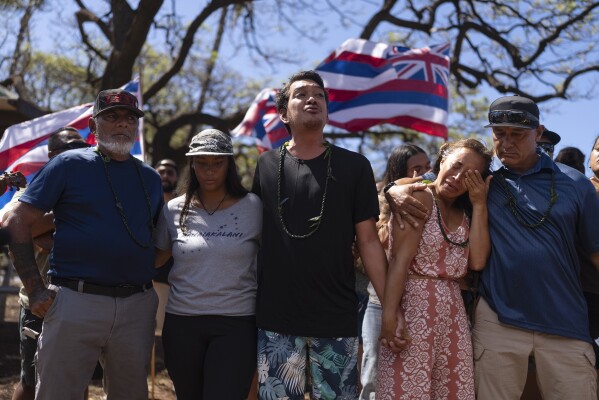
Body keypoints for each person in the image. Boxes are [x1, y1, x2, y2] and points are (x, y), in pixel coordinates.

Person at [387, 95, 599, 399]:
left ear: (539, 133)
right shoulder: (481, 176)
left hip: (565, 321)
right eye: (500, 134)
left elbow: (595, 252)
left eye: (518, 134)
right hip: (499, 320)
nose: (507, 143)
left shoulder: (575, 184)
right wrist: (394, 190)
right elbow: (430, 183)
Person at [4, 89, 163, 400]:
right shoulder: (68, 164)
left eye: (130, 118)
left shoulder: (151, 178)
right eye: (112, 117)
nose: (122, 124)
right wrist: (35, 288)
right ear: (93, 126)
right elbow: (16, 221)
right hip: (75, 300)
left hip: (136, 305)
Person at [252, 70, 388, 398]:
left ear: (327, 112)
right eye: (301, 94)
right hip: (276, 318)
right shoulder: (266, 165)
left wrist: (391, 308)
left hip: (336, 316)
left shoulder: (355, 166)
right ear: (284, 113)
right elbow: (255, 239)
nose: (312, 98)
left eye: (319, 95)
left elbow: (369, 241)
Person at [377, 139, 492, 399]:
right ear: (442, 161)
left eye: (469, 175)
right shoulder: (419, 196)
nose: (457, 177)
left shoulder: (466, 213)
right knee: (407, 390)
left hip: (453, 312)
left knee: (453, 392)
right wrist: (390, 313)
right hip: (413, 306)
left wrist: (479, 204)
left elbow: (477, 262)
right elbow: (399, 261)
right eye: (456, 166)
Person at [154, 129, 261, 399]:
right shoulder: (173, 209)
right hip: (182, 325)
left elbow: (277, 257)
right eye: (202, 163)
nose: (209, 171)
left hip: (236, 324)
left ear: (230, 164)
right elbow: (155, 259)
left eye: (217, 163)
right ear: (192, 165)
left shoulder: (254, 207)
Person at [4, 127, 90, 400]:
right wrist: (68, 215)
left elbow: (42, 234)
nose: (77, 152)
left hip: (85, 300)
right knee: (31, 381)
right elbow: (18, 229)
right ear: (52, 155)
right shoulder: (32, 192)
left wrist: (46, 224)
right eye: (69, 148)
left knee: (79, 379)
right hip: (39, 303)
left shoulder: (92, 190)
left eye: (82, 146)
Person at [359, 143, 431, 399]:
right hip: (380, 301)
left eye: (427, 167)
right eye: (416, 169)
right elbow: (374, 249)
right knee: (373, 374)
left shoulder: (434, 203)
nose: (423, 174)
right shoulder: (380, 203)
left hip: (419, 302)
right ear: (400, 172)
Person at [153, 158, 179, 333]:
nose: (165, 176)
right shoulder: (144, 203)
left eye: (170, 172)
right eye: (161, 172)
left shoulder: (184, 207)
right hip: (147, 281)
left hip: (175, 284)